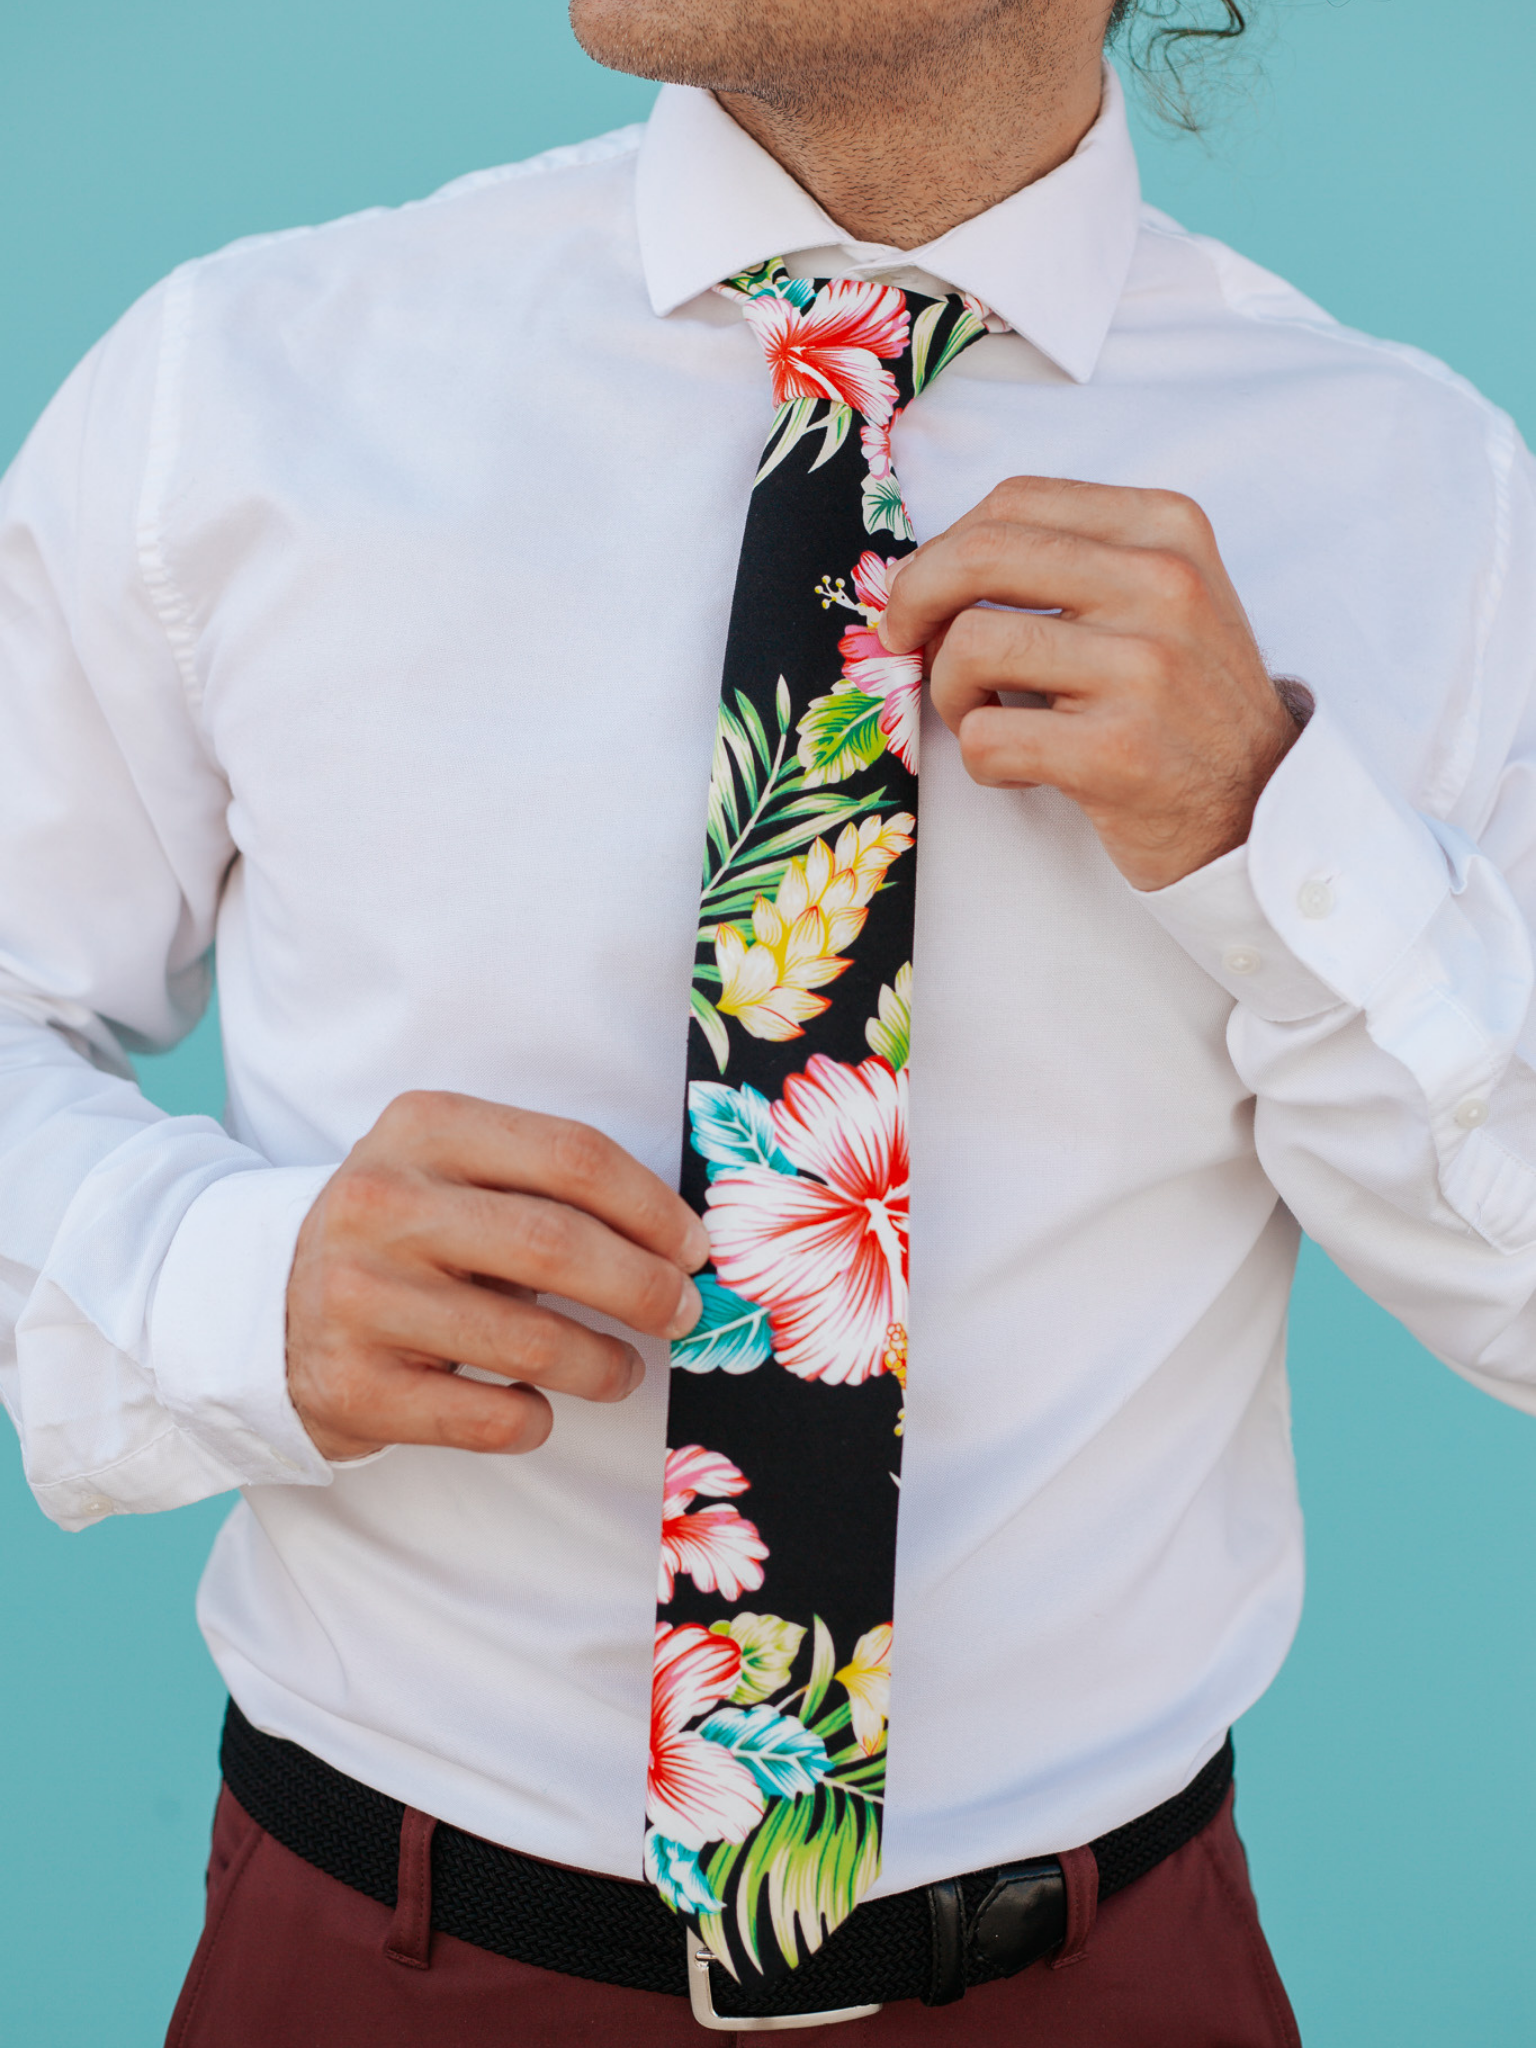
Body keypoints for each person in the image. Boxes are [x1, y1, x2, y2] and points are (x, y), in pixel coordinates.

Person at [3, 0, 1534, 2038]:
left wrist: (1271, 827)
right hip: (372, 1960)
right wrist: (207, 1278)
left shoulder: (1420, 496)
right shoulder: (243, 389)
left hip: (1110, 1977)